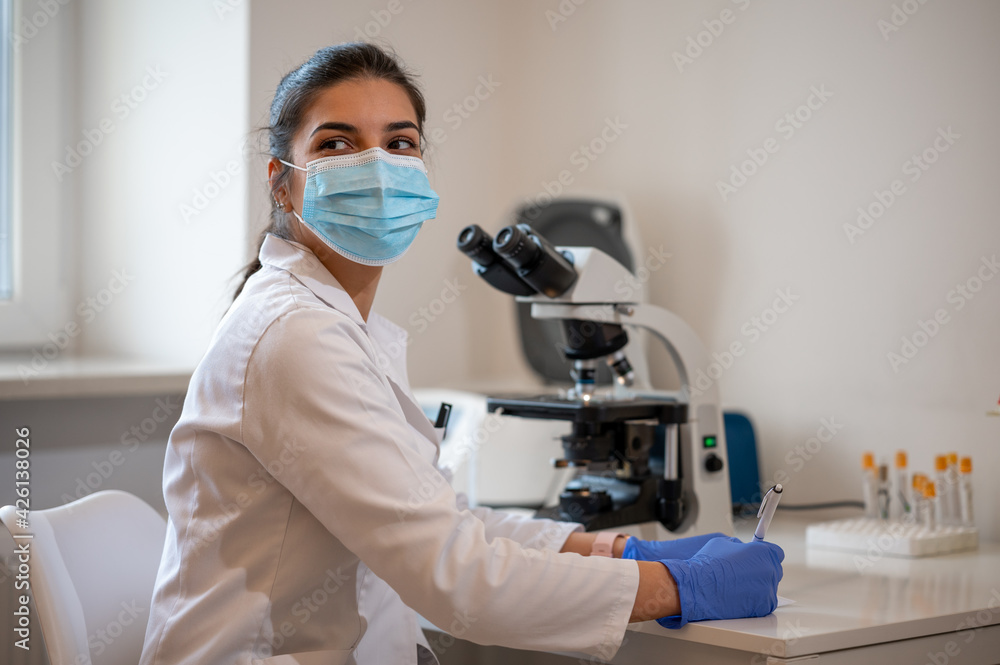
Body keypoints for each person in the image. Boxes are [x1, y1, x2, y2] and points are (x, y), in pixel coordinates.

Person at [138, 42, 783, 665]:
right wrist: (679, 588)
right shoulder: (295, 335)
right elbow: (459, 578)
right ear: (282, 184)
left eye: (399, 143)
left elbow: (443, 523)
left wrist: (619, 553)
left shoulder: (336, 324)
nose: (376, 168)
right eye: (337, 144)